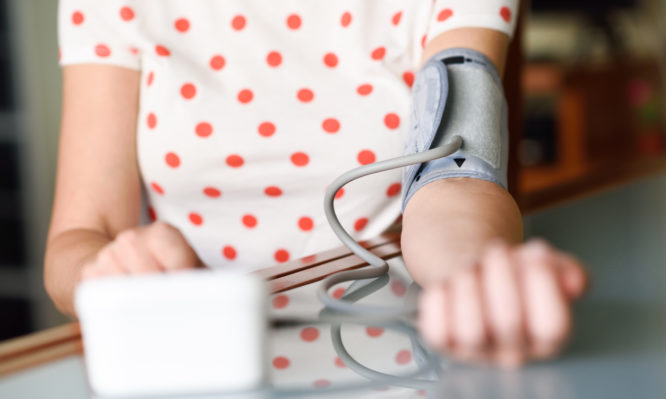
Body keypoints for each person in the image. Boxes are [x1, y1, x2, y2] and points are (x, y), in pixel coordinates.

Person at [45, 0, 587, 368]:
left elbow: (454, 176)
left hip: (392, 360)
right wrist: (112, 273)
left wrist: (472, 276)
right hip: (194, 362)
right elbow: (83, 232)